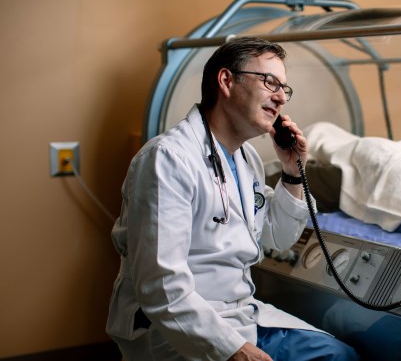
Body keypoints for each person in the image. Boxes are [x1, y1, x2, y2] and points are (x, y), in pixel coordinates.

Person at [106, 37, 359, 361]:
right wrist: (233, 350)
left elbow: (279, 237)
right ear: (226, 81)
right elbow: (161, 286)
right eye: (270, 82)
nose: (281, 97)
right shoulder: (168, 159)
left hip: (241, 315)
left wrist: (293, 171)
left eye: (285, 88)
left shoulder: (245, 159)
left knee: (338, 356)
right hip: (177, 330)